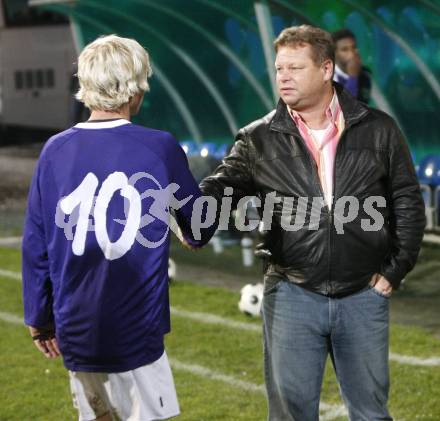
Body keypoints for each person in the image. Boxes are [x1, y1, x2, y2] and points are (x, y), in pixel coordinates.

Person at [200, 25, 425, 420]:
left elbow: (407, 201)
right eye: (279, 68)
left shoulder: (379, 129)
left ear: (325, 70)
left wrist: (394, 270)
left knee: (372, 414)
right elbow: (223, 185)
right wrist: (192, 209)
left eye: (294, 67)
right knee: (290, 414)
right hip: (291, 292)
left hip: (364, 293)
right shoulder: (258, 138)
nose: (283, 76)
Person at [22, 34, 208, 421]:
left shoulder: (55, 149)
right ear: (135, 88)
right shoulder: (158, 146)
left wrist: (39, 319)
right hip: (137, 328)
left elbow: (37, 243)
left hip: (76, 326)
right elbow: (198, 228)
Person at [332, 28, 371, 104]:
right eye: (345, 49)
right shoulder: (326, 78)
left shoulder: (365, 75)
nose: (352, 53)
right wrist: (353, 77)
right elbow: (343, 107)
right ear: (335, 53)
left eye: (354, 47)